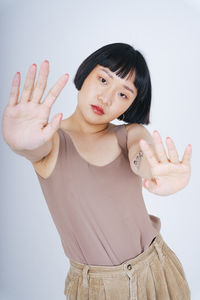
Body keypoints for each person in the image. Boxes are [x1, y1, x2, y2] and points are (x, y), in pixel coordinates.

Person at [2, 42, 192, 299]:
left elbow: (143, 156)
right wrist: (22, 144)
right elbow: (35, 149)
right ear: (86, 72)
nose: (106, 98)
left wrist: (156, 171)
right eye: (103, 79)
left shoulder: (129, 134)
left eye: (123, 94)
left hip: (157, 269)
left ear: (130, 106)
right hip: (97, 289)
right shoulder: (52, 141)